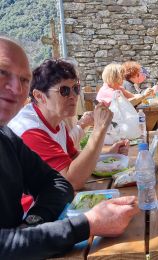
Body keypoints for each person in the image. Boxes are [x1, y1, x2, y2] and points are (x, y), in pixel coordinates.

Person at [0, 37, 139, 259]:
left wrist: (32, 225)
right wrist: (88, 224)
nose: (16, 88)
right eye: (2, 72)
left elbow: (58, 183)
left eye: (24, 79)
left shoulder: (6, 137)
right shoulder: (28, 131)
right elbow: (72, 178)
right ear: (38, 96)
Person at [8, 59, 129, 191]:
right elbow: (72, 182)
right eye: (64, 90)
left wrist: (109, 154)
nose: (73, 96)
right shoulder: (31, 131)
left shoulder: (55, 121)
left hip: (53, 200)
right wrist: (99, 130)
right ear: (39, 96)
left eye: (75, 89)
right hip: (32, 209)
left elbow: (74, 158)